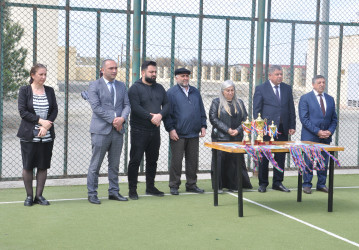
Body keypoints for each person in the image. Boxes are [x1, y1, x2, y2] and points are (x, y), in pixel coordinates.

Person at [87, 59, 130, 204]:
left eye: (116, 68)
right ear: (102, 70)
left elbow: (127, 105)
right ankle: (92, 193)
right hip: (100, 131)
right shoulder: (94, 85)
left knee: (114, 164)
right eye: (111, 68)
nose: (114, 71)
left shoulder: (121, 86)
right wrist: (114, 119)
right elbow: (96, 107)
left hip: (117, 131)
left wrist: (122, 119)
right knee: (95, 165)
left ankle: (114, 191)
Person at [127, 60, 170, 200]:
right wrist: (150, 117)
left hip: (154, 131)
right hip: (139, 131)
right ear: (143, 72)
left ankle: (150, 187)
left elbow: (168, 105)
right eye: (151, 72)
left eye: (155, 72)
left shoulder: (159, 88)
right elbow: (135, 107)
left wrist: (160, 116)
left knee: (153, 160)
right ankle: (132, 190)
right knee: (135, 160)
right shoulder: (135, 88)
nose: (154, 74)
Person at [17, 63, 58, 206]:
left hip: (46, 135)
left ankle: (39, 196)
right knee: (28, 166)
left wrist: (47, 126)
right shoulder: (25, 91)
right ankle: (29, 196)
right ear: (32, 75)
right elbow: (23, 112)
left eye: (45, 74)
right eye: (41, 74)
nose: (44, 77)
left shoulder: (50, 91)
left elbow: (54, 110)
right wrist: (41, 121)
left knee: (43, 166)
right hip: (29, 134)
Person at [253, 65, 296, 193]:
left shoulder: (287, 89)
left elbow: (291, 109)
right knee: (264, 157)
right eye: (277, 74)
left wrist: (292, 125)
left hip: (282, 128)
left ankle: (278, 182)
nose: (280, 76)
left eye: (281, 74)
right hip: (266, 130)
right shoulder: (261, 89)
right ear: (270, 75)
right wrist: (259, 127)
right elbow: (256, 110)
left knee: (280, 157)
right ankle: (263, 183)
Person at [164, 68, 207, 195]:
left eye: (187, 76)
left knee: (193, 161)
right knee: (176, 161)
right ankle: (174, 185)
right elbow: (167, 115)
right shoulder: (171, 93)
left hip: (193, 133)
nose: (185, 78)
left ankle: (191, 184)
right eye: (182, 76)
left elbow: (201, 110)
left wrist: (203, 125)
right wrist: (171, 129)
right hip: (178, 133)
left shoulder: (195, 92)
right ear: (176, 77)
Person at [209, 80, 253, 192]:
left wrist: (238, 130)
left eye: (232, 90)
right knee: (219, 162)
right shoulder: (216, 102)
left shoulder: (240, 103)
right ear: (223, 91)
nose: (230, 92)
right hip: (221, 138)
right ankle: (218, 186)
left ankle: (233, 185)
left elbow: (245, 119)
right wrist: (227, 130)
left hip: (236, 138)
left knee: (234, 162)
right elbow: (213, 118)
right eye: (227, 90)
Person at [299, 75, 338, 194]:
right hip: (310, 136)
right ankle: (306, 184)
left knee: (323, 162)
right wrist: (318, 131)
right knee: (308, 161)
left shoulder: (330, 99)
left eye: (323, 82)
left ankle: (321, 184)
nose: (322, 84)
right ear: (313, 84)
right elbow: (304, 119)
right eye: (319, 82)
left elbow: (334, 119)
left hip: (326, 137)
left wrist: (329, 131)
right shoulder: (305, 98)